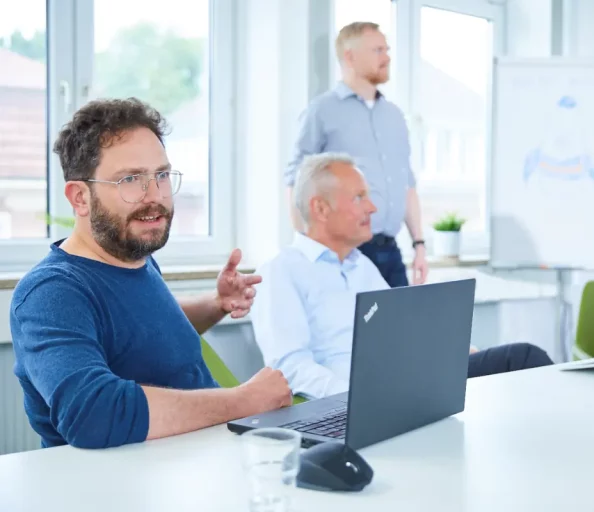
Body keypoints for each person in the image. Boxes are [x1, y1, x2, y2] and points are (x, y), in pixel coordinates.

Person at [10, 98, 292, 450]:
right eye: (130, 179)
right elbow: (94, 415)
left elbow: (145, 332)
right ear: (80, 197)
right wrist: (245, 401)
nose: (155, 196)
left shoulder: (133, 256)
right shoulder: (51, 293)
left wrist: (216, 303)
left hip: (203, 464)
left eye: (160, 175)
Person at [255, 153, 552, 399]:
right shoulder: (281, 271)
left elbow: (401, 334)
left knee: (521, 364)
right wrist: (353, 398)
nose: (372, 207)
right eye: (359, 197)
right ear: (320, 207)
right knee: (524, 359)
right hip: (367, 398)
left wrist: (450, 349)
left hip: (409, 383)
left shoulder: (362, 267)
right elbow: (289, 366)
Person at [284, 21, 428, 288]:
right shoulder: (322, 111)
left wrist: (419, 244)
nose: (387, 57)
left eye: (387, 49)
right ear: (349, 56)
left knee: (403, 329)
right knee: (346, 330)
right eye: (377, 50)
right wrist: (308, 249)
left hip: (390, 252)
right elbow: (295, 180)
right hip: (344, 252)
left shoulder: (395, 116)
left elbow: (406, 184)